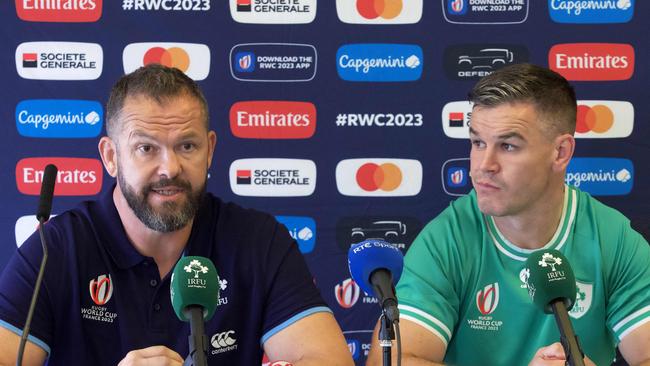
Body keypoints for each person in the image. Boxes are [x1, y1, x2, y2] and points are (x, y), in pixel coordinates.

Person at [0, 64, 353, 366]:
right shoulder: (56, 250)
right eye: (146, 148)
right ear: (110, 157)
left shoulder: (258, 240)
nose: (169, 168)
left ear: (210, 150)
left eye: (187, 145)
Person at [366, 63, 650, 365]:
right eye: (478, 142)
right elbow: (397, 359)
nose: (484, 164)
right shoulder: (447, 239)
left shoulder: (612, 239)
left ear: (561, 152)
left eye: (508, 146)